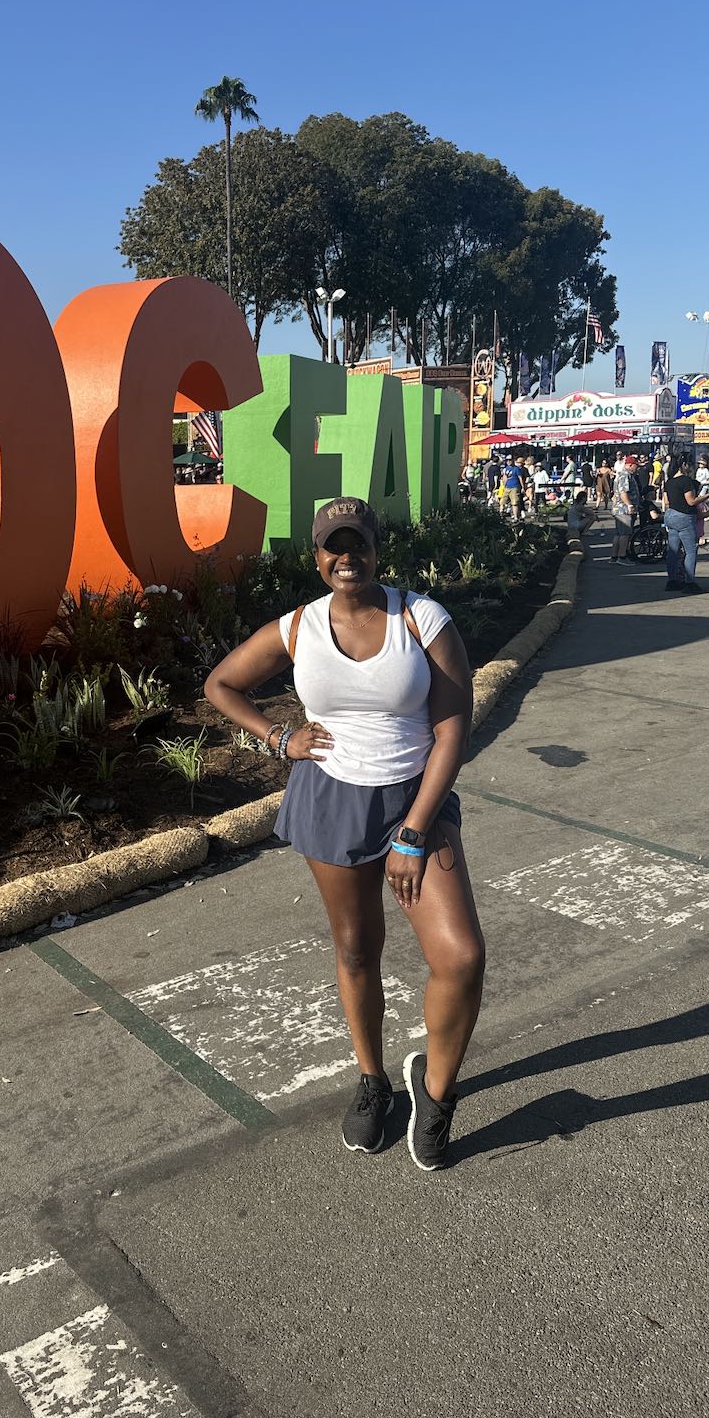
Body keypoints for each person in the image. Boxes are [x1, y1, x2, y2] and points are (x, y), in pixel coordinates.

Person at [203, 496, 483, 1171]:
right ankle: (372, 1079)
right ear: (317, 555)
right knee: (357, 949)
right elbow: (221, 684)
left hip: (415, 803)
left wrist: (415, 829)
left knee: (461, 957)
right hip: (330, 799)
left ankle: (435, 1095)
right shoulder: (299, 627)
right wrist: (278, 737)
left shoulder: (421, 618)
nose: (345, 556)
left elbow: (453, 728)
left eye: (357, 543)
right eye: (333, 545)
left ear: (377, 550)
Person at [661, 451, 709, 592]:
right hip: (684, 517)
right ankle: (690, 582)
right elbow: (691, 501)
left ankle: (672, 581)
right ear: (684, 465)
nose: (690, 468)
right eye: (689, 465)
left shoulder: (669, 482)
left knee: (673, 551)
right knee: (691, 551)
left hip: (671, 515)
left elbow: (666, 501)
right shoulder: (686, 481)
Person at [610, 454, 640, 563]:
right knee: (625, 534)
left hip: (620, 508)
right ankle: (622, 556)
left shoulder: (624, 475)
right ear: (630, 465)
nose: (637, 468)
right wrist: (629, 505)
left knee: (619, 533)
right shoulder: (625, 475)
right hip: (624, 509)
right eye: (636, 466)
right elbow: (623, 492)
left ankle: (614, 556)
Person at [502, 456, 524, 522]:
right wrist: (504, 485)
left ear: (513, 460)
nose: (508, 461)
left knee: (514, 503)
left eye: (510, 460)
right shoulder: (506, 468)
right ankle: (501, 515)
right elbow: (504, 478)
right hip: (507, 487)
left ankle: (516, 517)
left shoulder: (516, 469)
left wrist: (522, 487)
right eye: (507, 460)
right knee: (502, 502)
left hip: (514, 487)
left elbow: (520, 478)